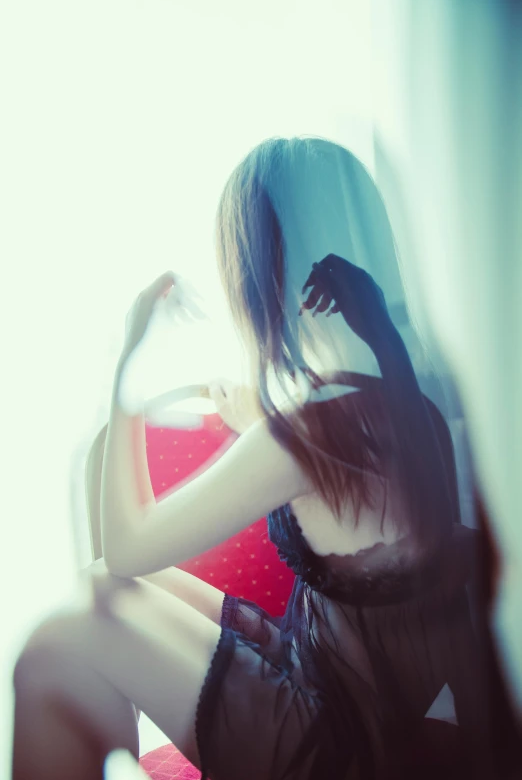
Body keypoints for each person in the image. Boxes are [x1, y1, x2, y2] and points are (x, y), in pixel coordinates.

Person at [11, 137, 488, 780]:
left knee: (52, 644)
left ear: (264, 274)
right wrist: (267, 424)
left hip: (338, 747)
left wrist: (127, 369)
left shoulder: (310, 437)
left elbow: (129, 544)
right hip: (368, 699)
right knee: (101, 584)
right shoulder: (414, 400)